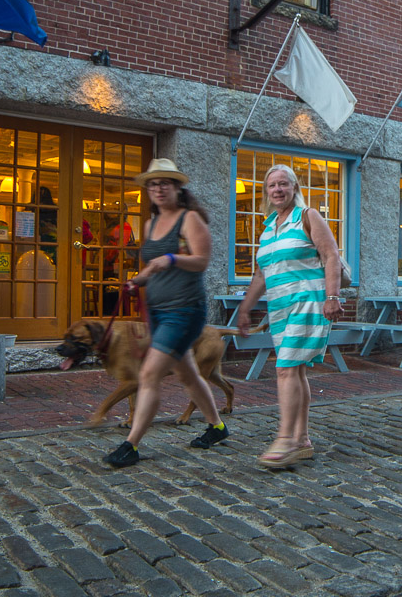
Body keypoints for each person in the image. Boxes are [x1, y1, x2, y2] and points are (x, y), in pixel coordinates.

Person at [104, 158, 225, 468]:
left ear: (176, 188)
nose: (158, 188)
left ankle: (131, 445)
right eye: (152, 184)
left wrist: (172, 258)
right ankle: (217, 426)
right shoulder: (150, 224)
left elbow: (201, 260)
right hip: (156, 312)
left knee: (148, 374)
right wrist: (137, 280)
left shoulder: (190, 220)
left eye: (164, 183)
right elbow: (152, 267)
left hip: (185, 311)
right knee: (187, 374)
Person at [236, 164, 343, 469]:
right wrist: (245, 308)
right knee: (295, 370)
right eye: (272, 186)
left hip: (308, 301)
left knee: (284, 369)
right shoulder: (269, 227)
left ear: (294, 187)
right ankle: (303, 438)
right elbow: (261, 274)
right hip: (280, 308)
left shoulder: (307, 216)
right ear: (266, 193)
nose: (278, 190)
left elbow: (331, 254)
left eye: (284, 184)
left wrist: (332, 296)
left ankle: (284, 440)